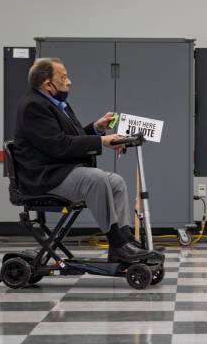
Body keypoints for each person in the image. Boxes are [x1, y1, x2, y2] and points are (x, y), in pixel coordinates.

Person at [13, 57, 148, 262]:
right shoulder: (33, 106)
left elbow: (71, 138)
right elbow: (59, 146)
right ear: (47, 84)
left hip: (60, 170)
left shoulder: (57, 104)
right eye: (64, 77)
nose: (69, 82)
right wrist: (102, 140)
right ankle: (117, 245)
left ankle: (125, 239)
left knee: (116, 182)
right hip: (45, 177)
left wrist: (96, 128)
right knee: (96, 179)